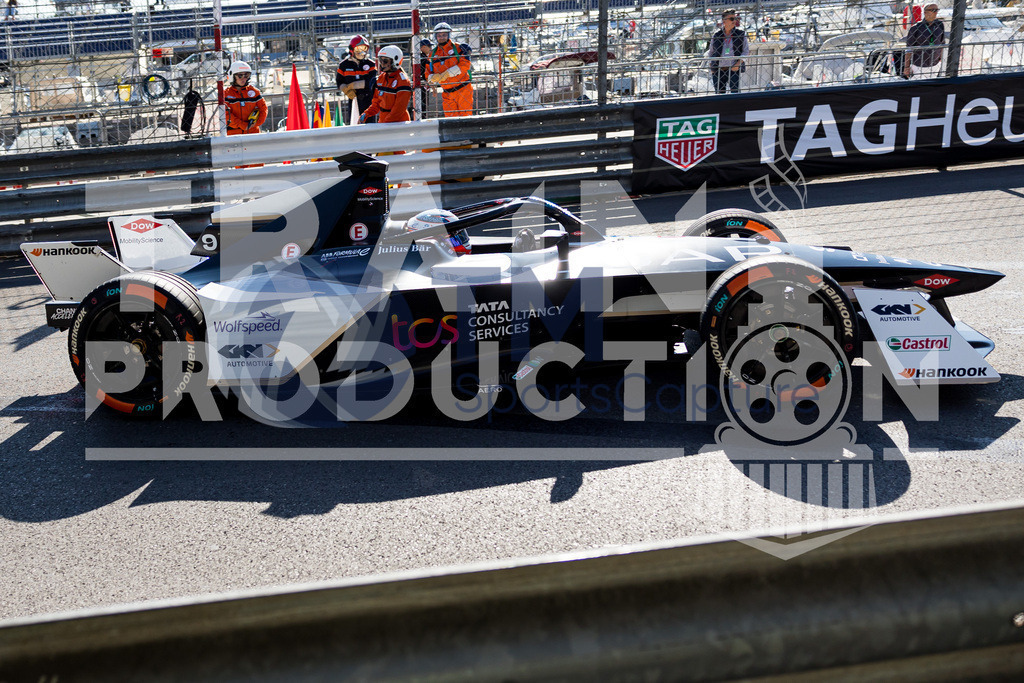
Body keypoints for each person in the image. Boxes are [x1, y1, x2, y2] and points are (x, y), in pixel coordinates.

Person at [424, 22, 473, 117]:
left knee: (466, 117)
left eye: (444, 35)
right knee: (451, 121)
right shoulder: (432, 55)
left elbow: (465, 65)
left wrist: (446, 74)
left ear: (449, 35)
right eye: (439, 35)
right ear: (435, 36)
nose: (441, 37)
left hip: (463, 89)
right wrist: (432, 78)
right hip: (447, 93)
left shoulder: (459, 48)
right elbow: (427, 73)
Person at [359, 45, 411, 124]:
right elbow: (376, 103)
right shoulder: (381, 78)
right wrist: (366, 113)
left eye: (385, 61)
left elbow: (399, 109)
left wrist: (386, 123)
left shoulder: (403, 81)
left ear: (395, 61)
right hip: (384, 120)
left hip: (399, 122)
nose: (382, 64)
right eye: (381, 60)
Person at [337, 35, 376, 124]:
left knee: (370, 125)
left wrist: (353, 85)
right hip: (353, 99)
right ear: (352, 49)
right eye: (359, 49)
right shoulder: (344, 65)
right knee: (354, 124)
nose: (362, 52)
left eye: (364, 48)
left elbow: (371, 81)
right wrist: (345, 89)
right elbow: (339, 81)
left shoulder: (370, 64)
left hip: (368, 101)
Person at [707, 9, 748, 94]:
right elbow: (710, 52)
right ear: (724, 21)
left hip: (733, 69)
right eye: (732, 19)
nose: (734, 21)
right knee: (719, 96)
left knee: (734, 95)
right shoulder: (717, 35)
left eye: (735, 19)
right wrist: (711, 66)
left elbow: (746, 51)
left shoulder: (740, 34)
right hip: (718, 70)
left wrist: (737, 65)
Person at [224, 61, 267, 135]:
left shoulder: (254, 92)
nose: (243, 79)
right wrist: (242, 125)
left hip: (253, 132)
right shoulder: (226, 94)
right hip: (233, 134)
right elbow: (226, 114)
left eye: (246, 75)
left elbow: (263, 109)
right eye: (240, 76)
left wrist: (256, 123)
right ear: (232, 76)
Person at [904, 4, 945, 79]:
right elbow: (909, 49)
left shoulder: (940, 25)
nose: (935, 12)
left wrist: (941, 62)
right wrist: (906, 67)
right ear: (925, 12)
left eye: (937, 10)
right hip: (919, 65)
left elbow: (942, 44)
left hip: (935, 64)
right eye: (933, 10)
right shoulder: (916, 28)